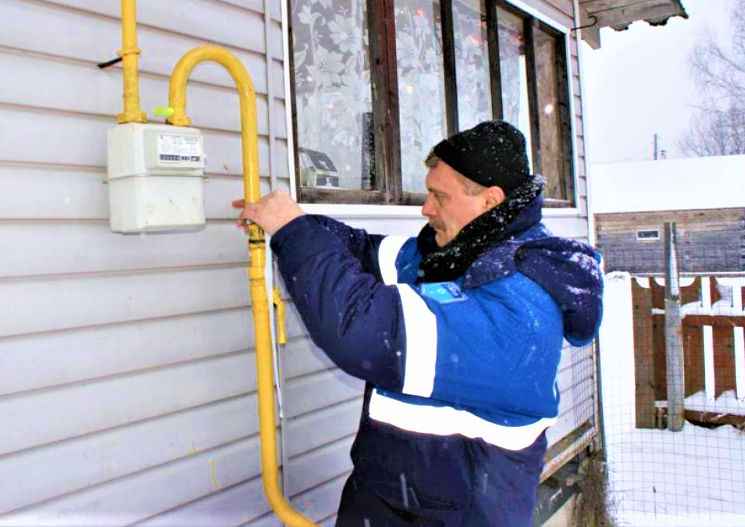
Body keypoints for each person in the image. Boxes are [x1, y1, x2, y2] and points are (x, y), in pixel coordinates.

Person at [233, 120, 603, 527]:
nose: (426, 209)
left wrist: (293, 231)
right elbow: (365, 252)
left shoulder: (518, 311)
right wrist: (297, 224)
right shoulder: (457, 252)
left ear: (489, 201)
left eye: (438, 196)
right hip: (390, 502)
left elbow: (361, 331)